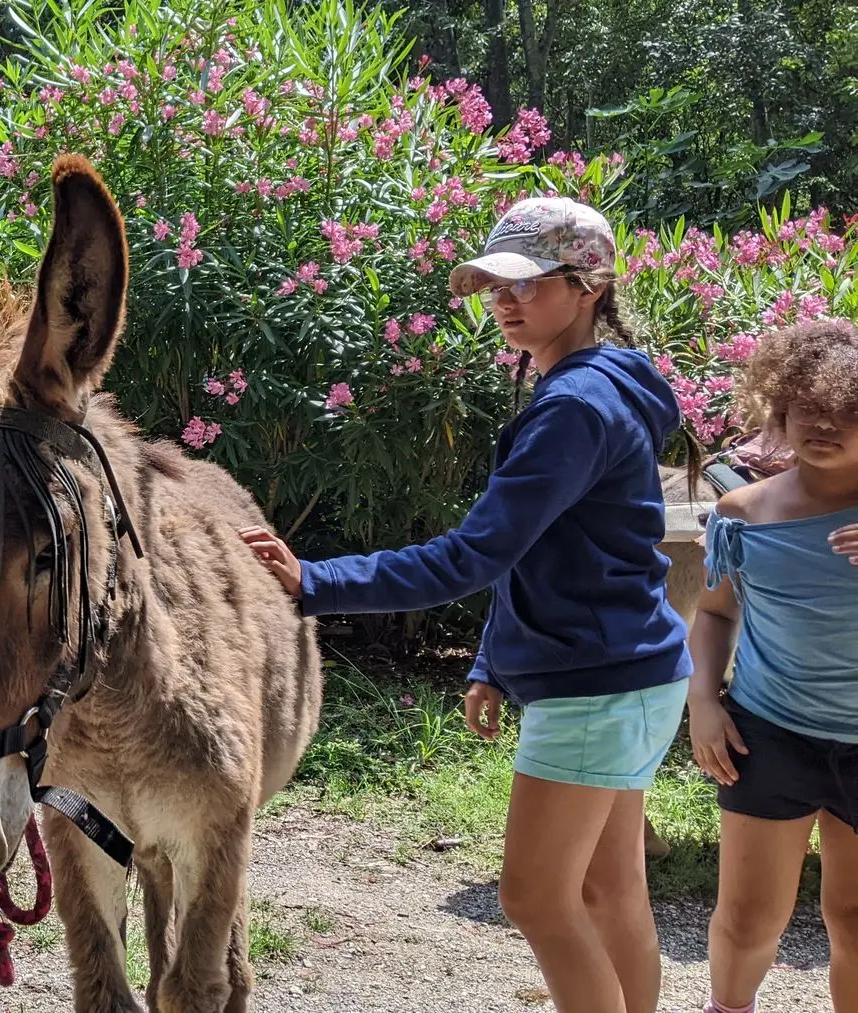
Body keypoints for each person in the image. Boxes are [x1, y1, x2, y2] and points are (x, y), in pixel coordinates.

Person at [243, 198, 691, 1013]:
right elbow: (551, 551)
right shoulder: (605, 382)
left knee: (536, 897)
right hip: (634, 671)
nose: (505, 301)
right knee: (610, 887)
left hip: (594, 686)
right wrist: (492, 658)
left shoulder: (575, 407)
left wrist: (315, 580)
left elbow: (471, 556)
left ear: (589, 285)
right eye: (495, 286)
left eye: (528, 283)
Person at [688, 319, 858, 1013]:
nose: (825, 423)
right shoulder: (743, 513)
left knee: (855, 921)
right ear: (778, 409)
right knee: (748, 917)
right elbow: (715, 614)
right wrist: (703, 699)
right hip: (769, 735)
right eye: (806, 406)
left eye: (848, 409)